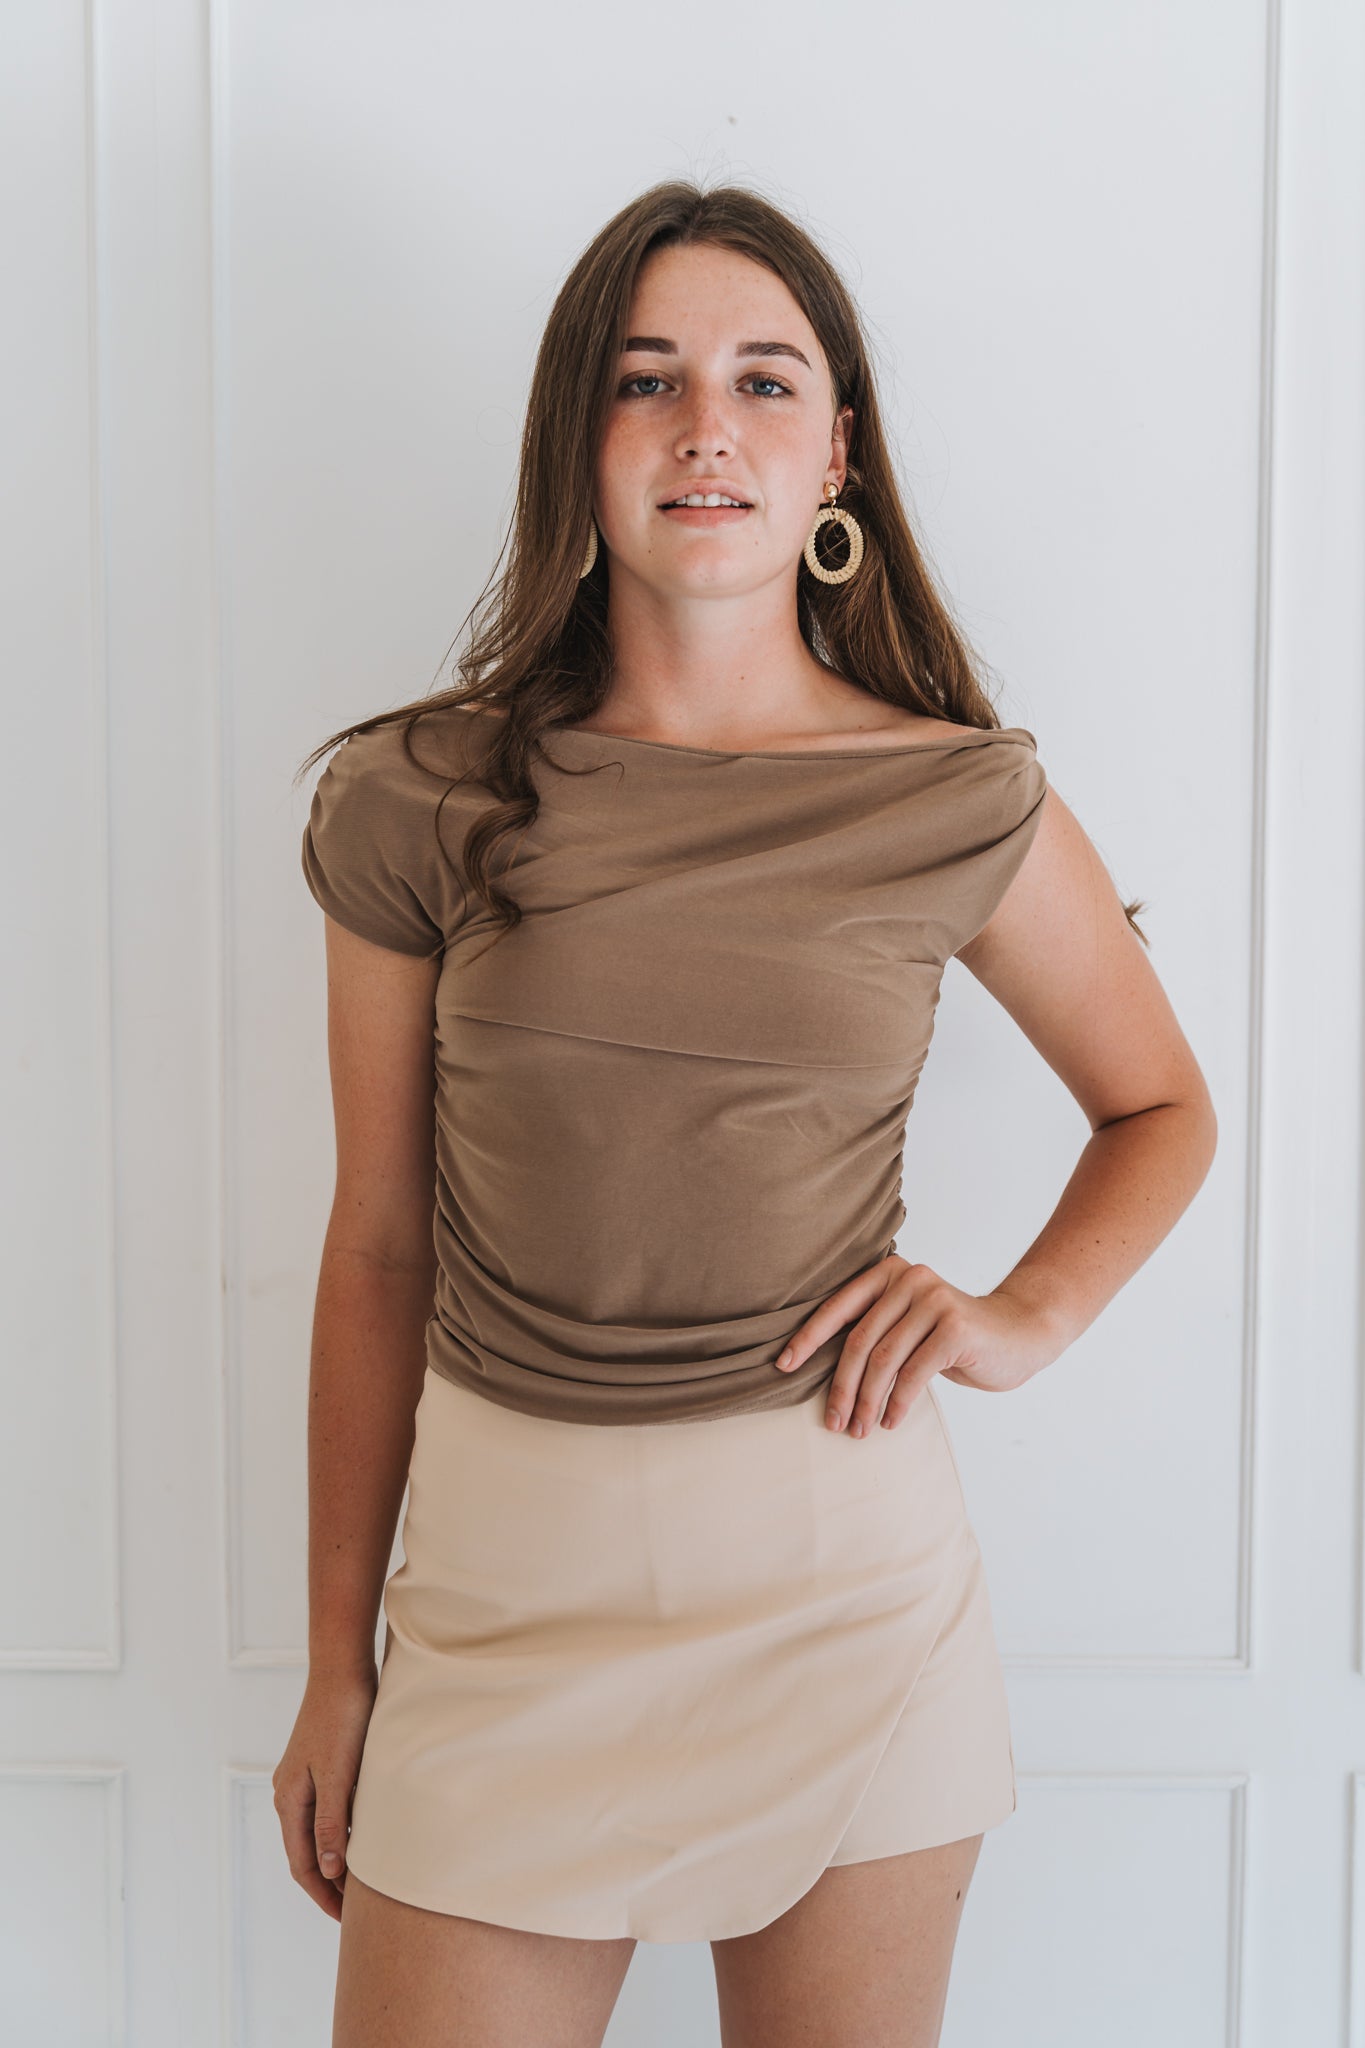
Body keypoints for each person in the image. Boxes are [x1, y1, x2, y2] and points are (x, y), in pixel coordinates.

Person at [275, 180, 1217, 2048]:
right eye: (646, 380)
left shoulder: (954, 796)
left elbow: (1159, 1103)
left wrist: (1022, 1316)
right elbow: (377, 1244)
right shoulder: (418, 796)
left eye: (763, 380)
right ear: (578, 438)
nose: (706, 426)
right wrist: (334, 1667)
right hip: (497, 1614)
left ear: (834, 451)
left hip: (842, 1603)